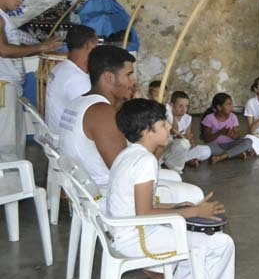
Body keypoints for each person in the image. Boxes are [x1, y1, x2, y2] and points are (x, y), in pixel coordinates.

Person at [106, 98, 234, 279]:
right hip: (138, 237)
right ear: (146, 130)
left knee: (203, 240)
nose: (170, 129)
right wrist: (195, 210)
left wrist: (177, 207)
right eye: (164, 124)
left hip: (125, 230)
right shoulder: (145, 162)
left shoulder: (128, 154)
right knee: (221, 244)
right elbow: (144, 213)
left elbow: (140, 204)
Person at [58, 46, 203, 204]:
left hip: (85, 188)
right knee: (195, 195)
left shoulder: (78, 103)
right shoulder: (102, 113)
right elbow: (127, 174)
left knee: (174, 176)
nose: (132, 82)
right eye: (128, 75)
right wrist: (159, 145)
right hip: (106, 195)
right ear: (109, 77)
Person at [0, 0, 64, 160]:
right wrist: (41, 47)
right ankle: (9, 186)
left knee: (15, 137)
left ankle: (18, 182)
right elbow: (3, 50)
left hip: (10, 84)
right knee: (6, 142)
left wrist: (41, 44)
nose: (20, 0)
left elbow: (19, 43)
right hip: (3, 84)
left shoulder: (5, 19)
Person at [45, 24, 98, 133]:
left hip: (55, 131)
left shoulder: (60, 67)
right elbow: (93, 115)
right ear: (89, 45)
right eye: (96, 44)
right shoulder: (77, 79)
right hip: (65, 139)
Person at [161, 91, 212, 171]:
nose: (183, 109)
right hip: (167, 150)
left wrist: (190, 141)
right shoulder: (167, 115)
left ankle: (177, 161)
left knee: (206, 150)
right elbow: (175, 131)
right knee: (182, 144)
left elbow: (187, 136)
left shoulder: (188, 118)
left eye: (186, 106)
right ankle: (182, 161)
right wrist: (173, 115)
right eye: (180, 106)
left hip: (181, 150)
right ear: (172, 105)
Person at [200, 93, 254, 163]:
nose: (231, 107)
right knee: (208, 150)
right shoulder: (209, 118)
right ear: (219, 107)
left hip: (231, 144)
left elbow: (237, 137)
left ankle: (220, 157)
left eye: (231, 104)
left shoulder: (233, 117)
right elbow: (206, 139)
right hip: (216, 146)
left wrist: (232, 135)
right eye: (228, 105)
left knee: (248, 141)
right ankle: (235, 154)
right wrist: (220, 133)